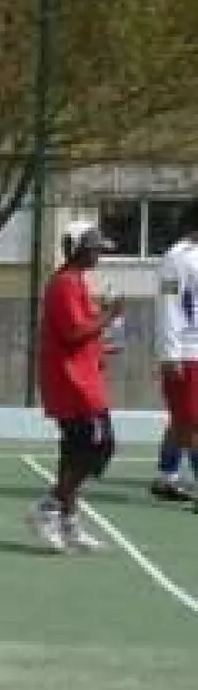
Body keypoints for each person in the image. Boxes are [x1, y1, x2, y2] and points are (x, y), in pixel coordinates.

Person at [32, 221, 120, 553]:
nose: (99, 254)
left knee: (73, 452)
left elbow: (78, 333)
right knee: (98, 446)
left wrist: (100, 349)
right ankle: (49, 505)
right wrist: (109, 316)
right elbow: (72, 333)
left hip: (79, 377)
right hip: (73, 384)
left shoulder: (75, 282)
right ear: (78, 249)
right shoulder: (65, 284)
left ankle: (68, 521)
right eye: (95, 248)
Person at [151, 200, 198, 504]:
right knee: (191, 421)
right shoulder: (177, 257)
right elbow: (169, 305)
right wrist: (170, 353)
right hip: (186, 351)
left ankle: (166, 477)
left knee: (183, 418)